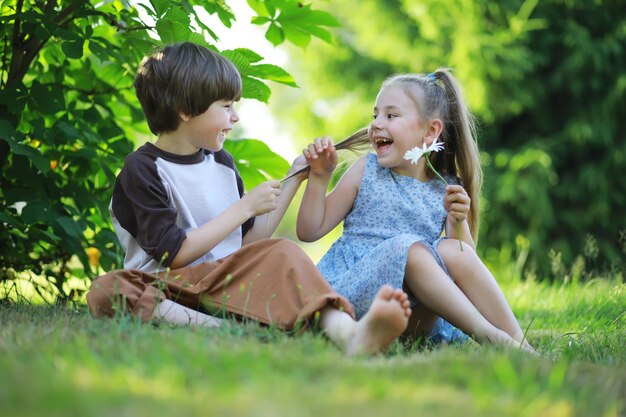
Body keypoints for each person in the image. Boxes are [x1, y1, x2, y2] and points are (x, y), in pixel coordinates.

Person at [86, 42, 412, 356]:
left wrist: (296, 176)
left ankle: (349, 332)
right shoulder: (142, 170)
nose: (235, 117)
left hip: (222, 284)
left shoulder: (222, 164)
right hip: (168, 288)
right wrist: (243, 207)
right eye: (226, 107)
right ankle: (221, 327)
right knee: (108, 289)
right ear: (185, 110)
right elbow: (175, 253)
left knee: (282, 251)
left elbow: (247, 244)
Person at [297, 68, 535, 352]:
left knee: (449, 249)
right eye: (375, 115)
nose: (376, 124)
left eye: (391, 115)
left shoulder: (446, 187)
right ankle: (493, 338)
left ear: (430, 131)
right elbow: (309, 231)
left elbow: (464, 262)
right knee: (408, 247)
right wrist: (320, 178)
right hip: (358, 294)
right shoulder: (366, 170)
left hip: (412, 316)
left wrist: (458, 222)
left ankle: (521, 345)